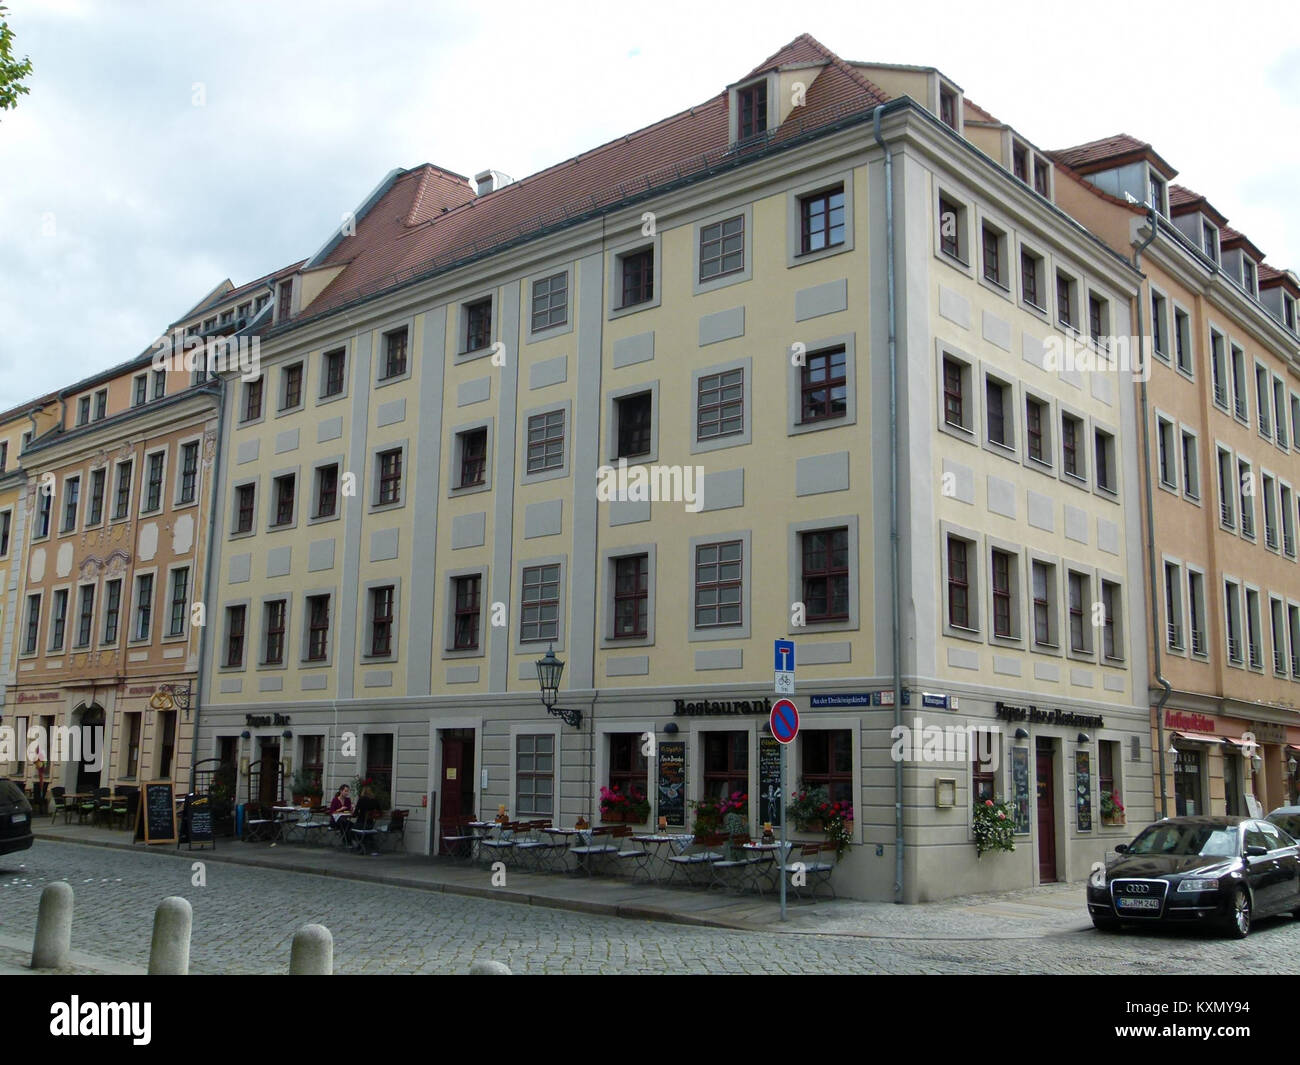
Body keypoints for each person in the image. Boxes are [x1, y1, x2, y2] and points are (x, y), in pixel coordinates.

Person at [351, 785, 382, 855]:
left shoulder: (361, 800)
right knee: (365, 834)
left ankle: (359, 845)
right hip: (371, 825)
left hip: (361, 824)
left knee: (350, 828)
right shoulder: (375, 800)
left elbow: (355, 814)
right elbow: (380, 811)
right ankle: (364, 845)